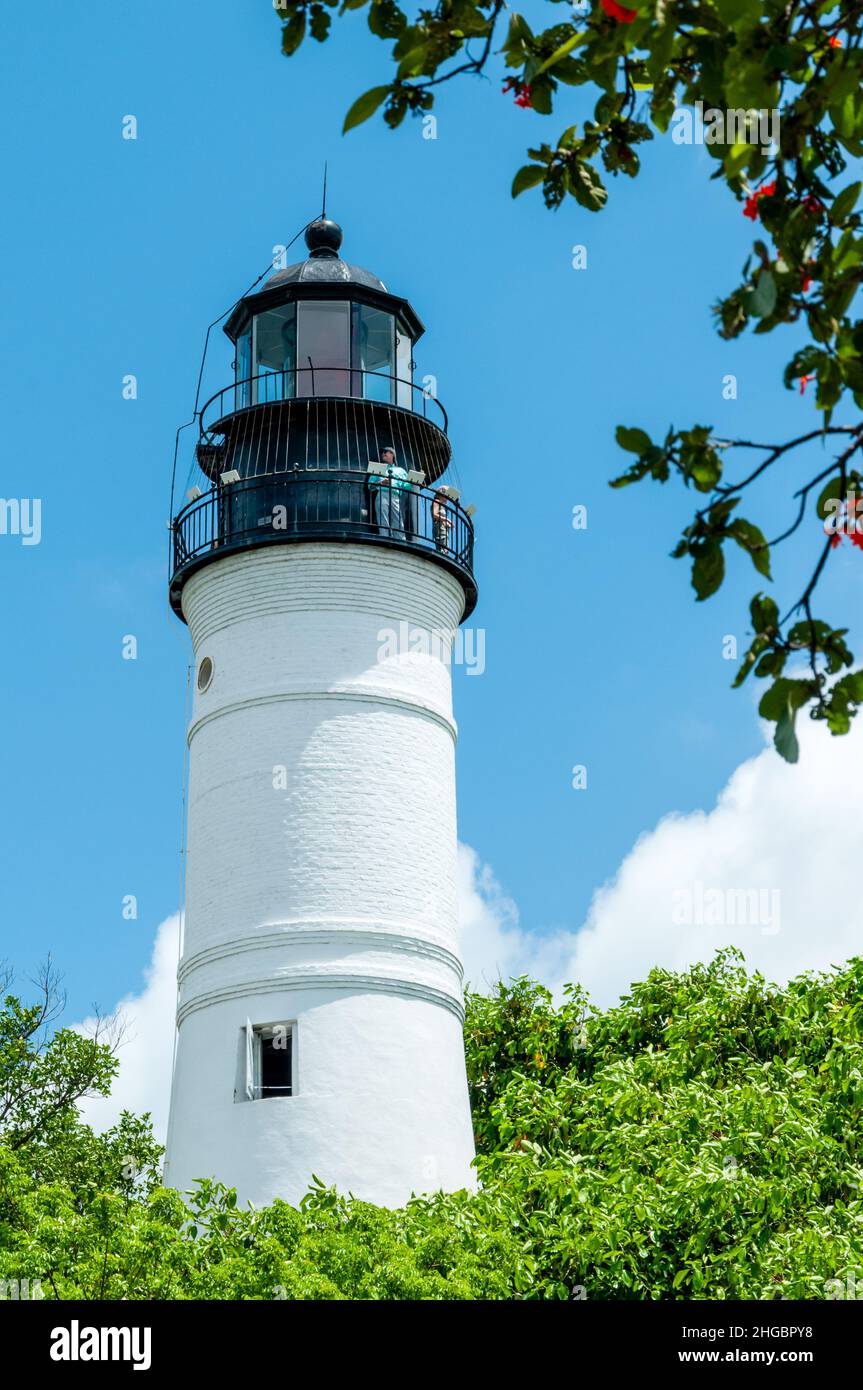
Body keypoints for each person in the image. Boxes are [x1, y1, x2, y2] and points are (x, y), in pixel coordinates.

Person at [370, 446, 409, 536]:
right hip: (382, 494)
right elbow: (370, 485)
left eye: (385, 452)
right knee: (382, 518)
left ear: (392, 454)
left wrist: (416, 481)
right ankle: (385, 537)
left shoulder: (401, 471)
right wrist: (381, 483)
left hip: (395, 496)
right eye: (382, 452)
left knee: (398, 520)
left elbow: (407, 486)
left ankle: (400, 540)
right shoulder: (378, 468)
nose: (383, 454)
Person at [432, 487, 454, 552]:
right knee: (443, 548)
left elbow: (441, 519)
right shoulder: (436, 501)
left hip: (442, 528)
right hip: (439, 528)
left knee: (445, 547)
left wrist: (448, 524)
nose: (447, 498)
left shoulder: (442, 506)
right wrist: (447, 520)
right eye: (446, 496)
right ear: (441, 495)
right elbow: (435, 515)